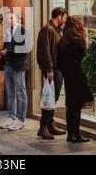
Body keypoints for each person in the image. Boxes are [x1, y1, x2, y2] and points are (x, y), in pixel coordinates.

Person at [56, 16, 94, 143]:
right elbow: (85, 58)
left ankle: (70, 134)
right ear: (77, 25)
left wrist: (66, 72)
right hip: (78, 75)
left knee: (70, 104)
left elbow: (58, 62)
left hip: (68, 76)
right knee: (77, 105)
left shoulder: (62, 41)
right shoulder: (78, 40)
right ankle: (76, 135)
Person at [36, 7, 68, 140]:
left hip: (57, 68)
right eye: (64, 17)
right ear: (59, 16)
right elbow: (45, 50)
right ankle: (43, 127)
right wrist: (49, 69)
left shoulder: (56, 29)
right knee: (50, 98)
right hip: (52, 69)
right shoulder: (47, 29)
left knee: (52, 98)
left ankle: (49, 125)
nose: (65, 19)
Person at [0, 13, 29, 131]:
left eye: (11, 18)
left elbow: (24, 49)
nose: (9, 20)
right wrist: (0, 51)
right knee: (10, 93)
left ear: (18, 20)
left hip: (18, 66)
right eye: (7, 18)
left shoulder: (23, 30)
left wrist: (7, 52)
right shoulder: (8, 31)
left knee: (21, 93)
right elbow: (7, 48)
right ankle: (11, 117)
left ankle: (21, 120)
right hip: (7, 65)